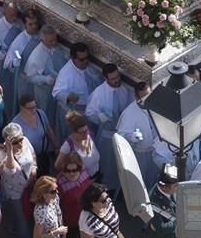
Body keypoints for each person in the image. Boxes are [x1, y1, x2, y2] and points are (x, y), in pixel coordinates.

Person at [84, 63, 133, 192]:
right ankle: (106, 188)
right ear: (106, 79)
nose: (116, 80)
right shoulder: (99, 93)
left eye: (117, 77)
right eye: (112, 78)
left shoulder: (124, 90)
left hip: (121, 133)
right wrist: (100, 117)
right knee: (106, 164)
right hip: (106, 135)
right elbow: (89, 113)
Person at [0, 122, 38, 238]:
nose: (20, 144)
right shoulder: (3, 154)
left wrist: (34, 167)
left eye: (21, 139)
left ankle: (12, 225)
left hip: (29, 186)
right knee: (22, 220)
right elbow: (11, 169)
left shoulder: (25, 141)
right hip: (14, 192)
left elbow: (32, 154)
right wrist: (9, 151)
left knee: (28, 212)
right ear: (8, 142)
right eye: (15, 142)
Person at [53, 43, 103, 142]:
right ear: (73, 58)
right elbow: (56, 92)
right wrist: (68, 96)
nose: (85, 62)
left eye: (86, 58)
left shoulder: (89, 66)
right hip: (77, 114)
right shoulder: (66, 73)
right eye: (81, 59)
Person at [115, 82, 162, 190]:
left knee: (155, 178)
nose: (147, 99)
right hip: (141, 153)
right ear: (136, 97)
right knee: (140, 179)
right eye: (144, 97)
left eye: (149, 95)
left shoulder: (156, 104)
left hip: (157, 150)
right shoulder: (129, 113)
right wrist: (131, 136)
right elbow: (120, 135)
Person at [144, 165, 180, 238]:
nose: (177, 187)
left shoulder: (165, 189)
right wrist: (181, 223)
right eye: (175, 186)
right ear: (166, 187)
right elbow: (161, 227)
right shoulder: (154, 203)